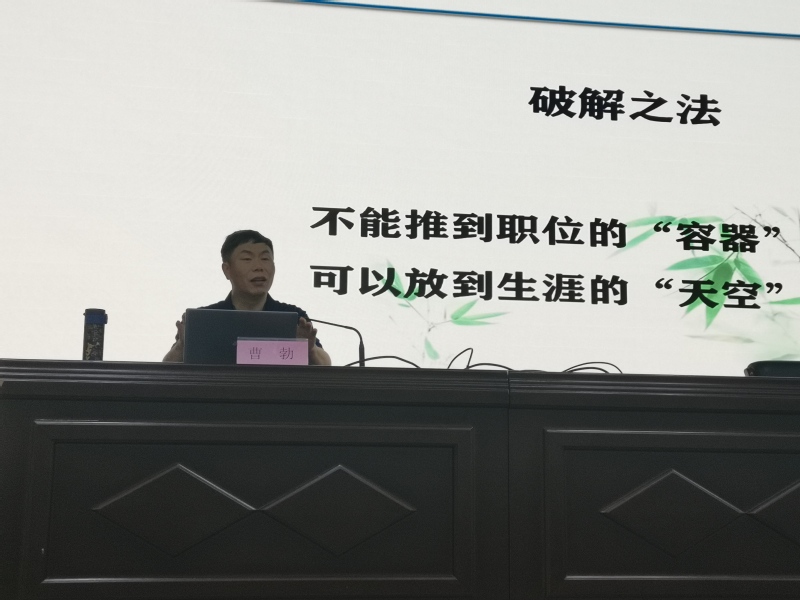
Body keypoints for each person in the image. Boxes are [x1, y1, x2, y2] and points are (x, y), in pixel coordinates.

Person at [163, 230, 332, 365]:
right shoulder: (204, 319)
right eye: (247, 259)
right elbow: (167, 367)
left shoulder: (292, 316)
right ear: (227, 270)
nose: (259, 267)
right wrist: (182, 346)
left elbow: (326, 364)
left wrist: (310, 350)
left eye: (265, 259)